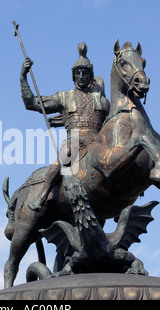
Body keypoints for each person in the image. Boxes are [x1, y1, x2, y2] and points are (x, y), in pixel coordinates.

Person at [21, 42, 110, 211]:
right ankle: (42, 195)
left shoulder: (102, 101)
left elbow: (111, 123)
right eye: (78, 73)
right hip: (75, 141)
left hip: (98, 142)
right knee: (66, 154)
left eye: (85, 73)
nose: (82, 76)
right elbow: (32, 103)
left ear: (91, 75)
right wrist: (23, 77)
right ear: (73, 76)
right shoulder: (64, 97)